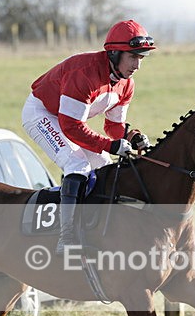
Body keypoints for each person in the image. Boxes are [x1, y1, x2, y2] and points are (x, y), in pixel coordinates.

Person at [22, 19, 155, 254]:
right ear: (114, 53)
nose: (137, 66)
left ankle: (95, 229)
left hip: (70, 120)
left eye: (141, 58)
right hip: (41, 113)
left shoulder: (126, 84)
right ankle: (67, 237)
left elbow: (113, 126)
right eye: (132, 57)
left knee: (103, 165)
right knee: (78, 164)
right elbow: (70, 126)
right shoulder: (84, 73)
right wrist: (110, 145)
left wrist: (130, 135)